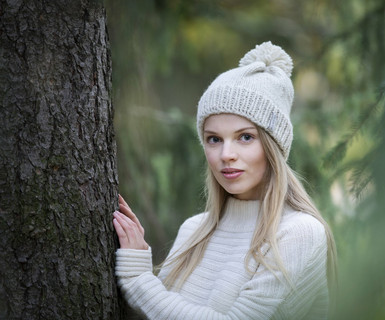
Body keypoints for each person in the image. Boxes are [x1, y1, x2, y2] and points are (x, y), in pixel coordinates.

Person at [113, 41, 337, 320]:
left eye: (245, 137)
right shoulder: (193, 231)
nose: (225, 155)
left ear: (274, 146)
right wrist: (137, 260)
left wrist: (137, 277)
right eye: (214, 139)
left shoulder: (299, 232)